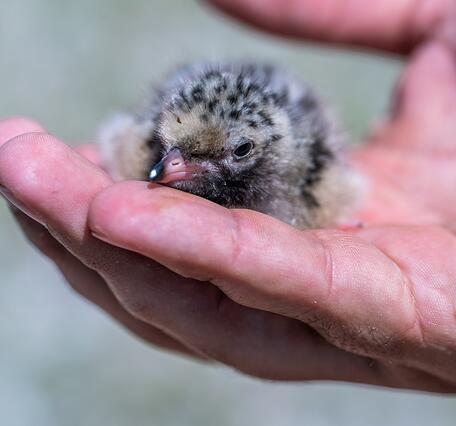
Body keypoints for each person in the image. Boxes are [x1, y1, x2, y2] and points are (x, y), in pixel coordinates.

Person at [1, 0, 456, 392]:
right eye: (170, 151)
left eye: (232, 154)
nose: (168, 168)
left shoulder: (313, 180)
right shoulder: (145, 152)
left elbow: (338, 183)